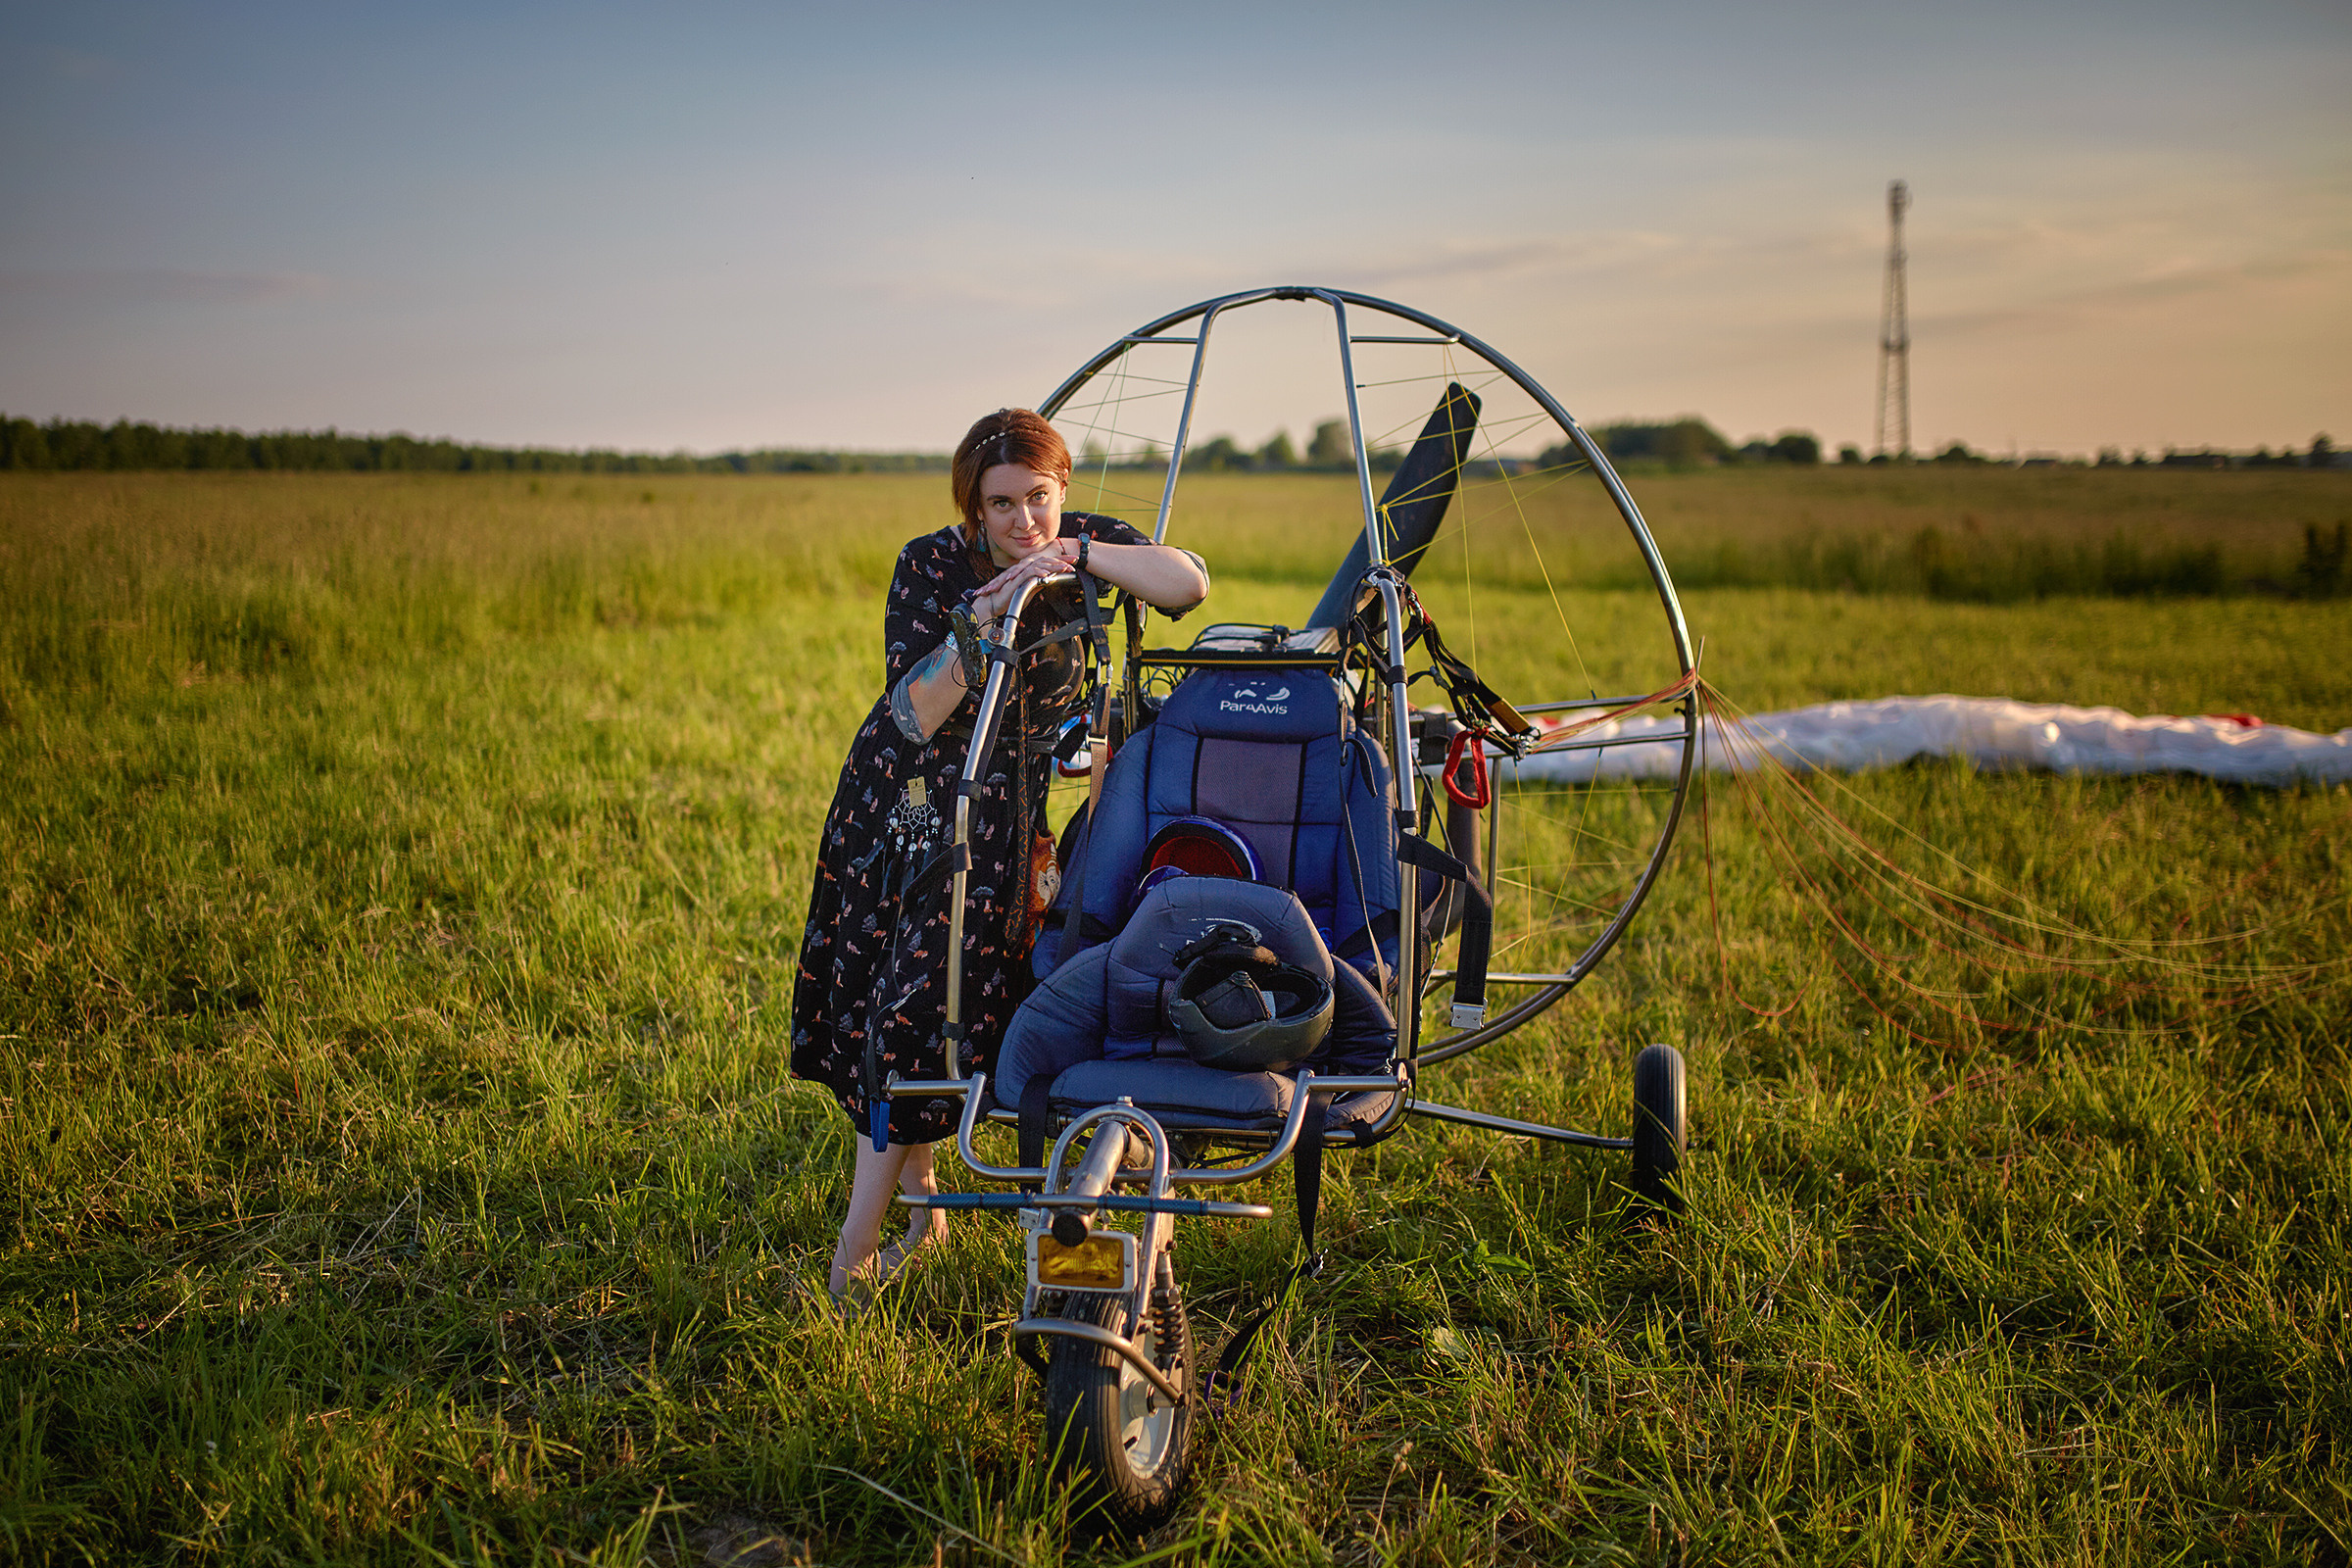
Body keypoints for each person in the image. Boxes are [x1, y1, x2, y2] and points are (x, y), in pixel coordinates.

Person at [791, 409, 1209, 1299]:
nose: (1024, 521)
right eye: (1002, 505)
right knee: (898, 1012)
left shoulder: (1078, 545)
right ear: (972, 508)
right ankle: (855, 1265)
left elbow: (1188, 585)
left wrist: (1076, 559)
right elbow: (914, 716)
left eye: (1041, 498)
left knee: (936, 1008)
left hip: (1007, 818)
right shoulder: (931, 563)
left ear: (1063, 491)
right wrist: (982, 620)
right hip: (907, 807)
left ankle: (923, 1222)